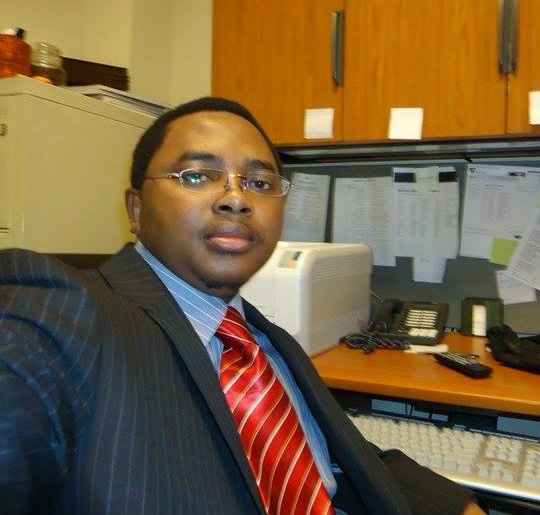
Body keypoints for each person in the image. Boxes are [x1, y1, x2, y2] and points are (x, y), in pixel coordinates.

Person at [0, 97, 483, 514]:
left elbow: (336, 453)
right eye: (197, 175)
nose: (236, 199)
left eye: (260, 183)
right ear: (137, 209)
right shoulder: (67, 315)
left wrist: (456, 506)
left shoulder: (263, 339)